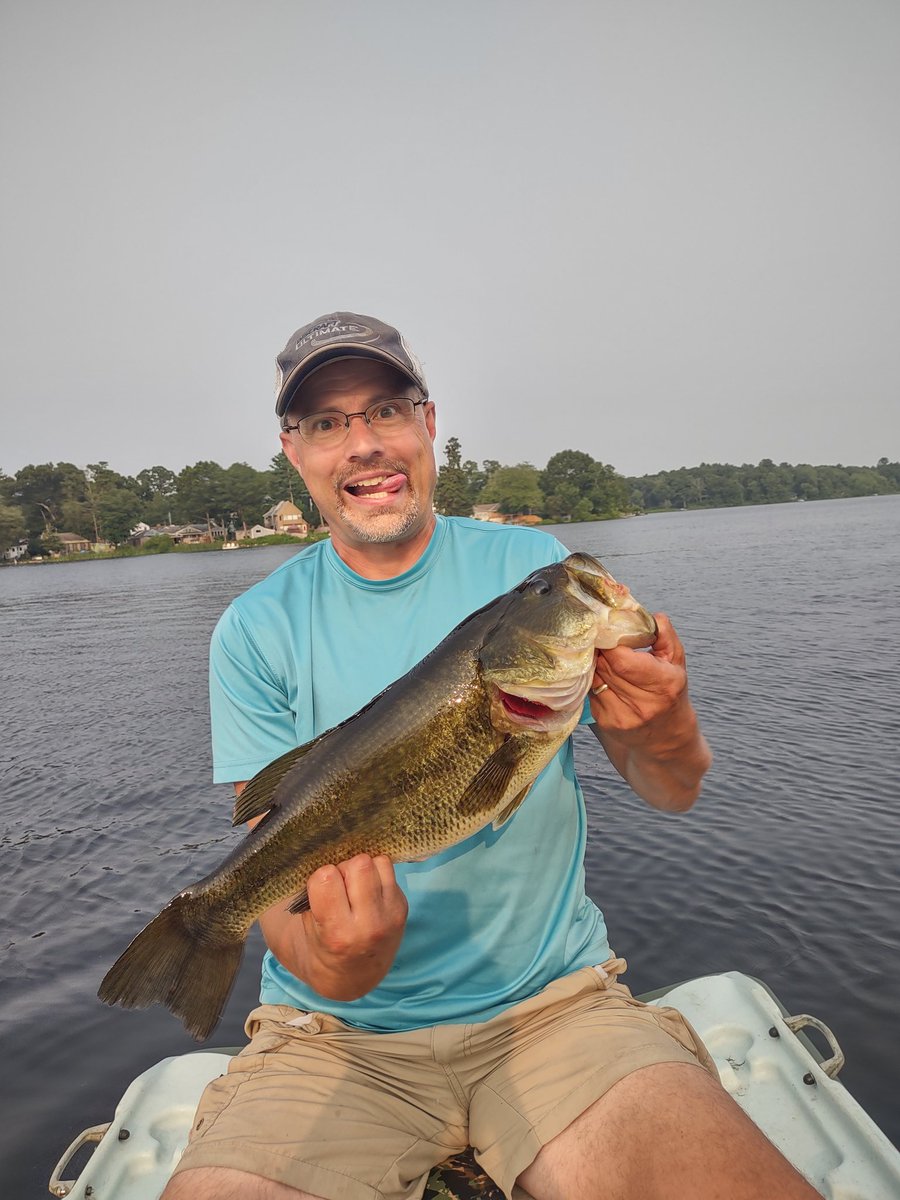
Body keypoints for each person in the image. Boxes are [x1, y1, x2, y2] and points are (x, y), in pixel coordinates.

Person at [165, 313, 820, 1200]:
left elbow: (671, 790)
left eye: (386, 410)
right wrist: (335, 964)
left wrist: (663, 725)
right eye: (327, 423)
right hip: (331, 1036)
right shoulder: (253, 630)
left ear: (428, 425)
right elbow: (272, 860)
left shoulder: (530, 565)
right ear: (295, 452)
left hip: (555, 1009)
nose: (363, 444)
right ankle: (207, 933)